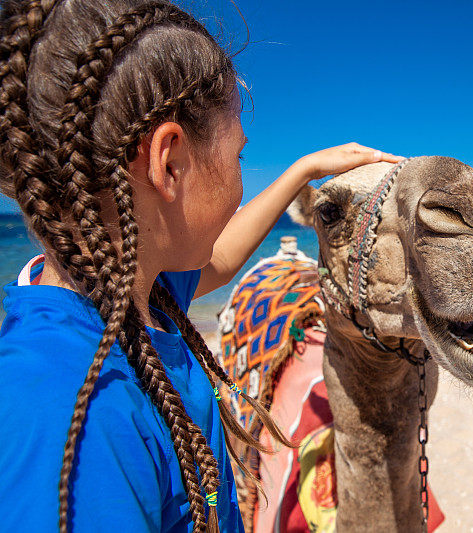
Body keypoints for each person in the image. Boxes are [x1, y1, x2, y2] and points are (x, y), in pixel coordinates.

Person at [0, 1, 402, 531]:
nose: (240, 178)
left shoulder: (135, 294)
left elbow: (222, 258)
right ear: (169, 162)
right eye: (238, 156)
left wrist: (302, 169)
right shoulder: (75, 415)